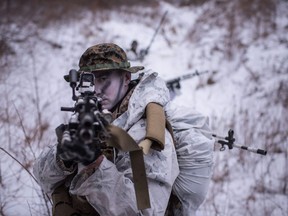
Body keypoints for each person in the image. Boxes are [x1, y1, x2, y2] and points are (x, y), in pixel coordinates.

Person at [33, 43, 214, 216]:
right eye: (88, 81)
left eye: (104, 79)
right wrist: (62, 158)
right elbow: (42, 179)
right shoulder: (86, 118)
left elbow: (147, 211)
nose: (95, 90)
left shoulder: (143, 133)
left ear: (126, 79)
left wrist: (94, 166)